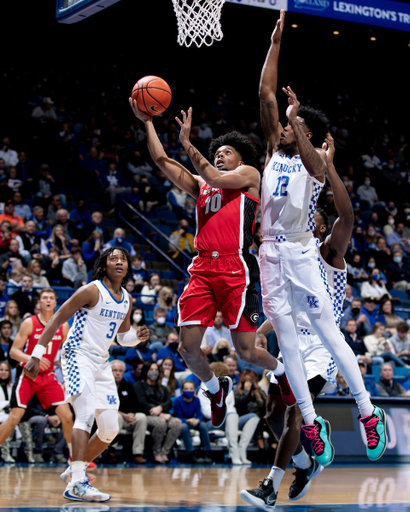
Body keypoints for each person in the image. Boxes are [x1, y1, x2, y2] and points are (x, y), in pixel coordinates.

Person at [255, 10, 386, 472]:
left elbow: (315, 167)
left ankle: (370, 412)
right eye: (287, 126)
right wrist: (275, 42)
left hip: (299, 251)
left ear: (305, 132)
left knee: (329, 334)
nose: (285, 128)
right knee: (287, 342)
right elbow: (266, 94)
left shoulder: (315, 162)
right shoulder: (274, 149)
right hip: (268, 254)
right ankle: (310, 424)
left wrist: (300, 122)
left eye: (294, 126)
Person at [130, 82, 282, 431]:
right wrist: (147, 121)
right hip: (202, 268)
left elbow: (213, 173)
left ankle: (283, 371)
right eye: (217, 152)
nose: (219, 156)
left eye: (226, 152)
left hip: (236, 266)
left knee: (245, 351)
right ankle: (215, 388)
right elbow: (160, 160)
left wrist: (187, 143)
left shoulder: (249, 176)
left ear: (240, 159)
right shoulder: (202, 185)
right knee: (187, 348)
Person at [23, 248, 149, 502]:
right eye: (113, 258)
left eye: (123, 259)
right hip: (76, 355)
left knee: (110, 428)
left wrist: (136, 337)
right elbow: (58, 317)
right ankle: (78, 482)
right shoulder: (91, 290)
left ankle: (76, 467)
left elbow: (122, 337)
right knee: (85, 414)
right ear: (103, 265)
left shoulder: (126, 298)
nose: (119, 262)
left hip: (102, 362)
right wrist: (36, 355)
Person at [0, 289, 74, 466]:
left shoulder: (63, 326)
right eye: (44, 298)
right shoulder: (29, 323)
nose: (48, 301)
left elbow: (68, 353)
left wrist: (68, 377)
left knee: (67, 416)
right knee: (15, 417)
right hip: (27, 375)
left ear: (56, 302)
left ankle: (75, 459)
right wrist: (34, 360)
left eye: (51, 298)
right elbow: (14, 352)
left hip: (47, 378)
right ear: (38, 303)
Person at [134, 361, 182, 463]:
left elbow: (168, 401)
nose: (154, 372)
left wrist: (160, 408)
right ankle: (156, 452)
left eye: (156, 370)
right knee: (161, 422)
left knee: (177, 423)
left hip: (161, 414)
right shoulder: (139, 385)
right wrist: (160, 414)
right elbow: (142, 403)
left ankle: (164, 452)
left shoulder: (162, 388)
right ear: (146, 371)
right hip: (145, 416)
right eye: (151, 369)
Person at [110, 360, 147, 464]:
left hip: (127, 418)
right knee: (116, 416)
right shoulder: (104, 387)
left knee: (142, 417)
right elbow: (106, 407)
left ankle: (138, 453)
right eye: (115, 370)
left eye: (120, 371)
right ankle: (110, 451)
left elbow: (135, 404)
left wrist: (131, 414)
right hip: (113, 417)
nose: (117, 373)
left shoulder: (128, 386)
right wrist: (124, 415)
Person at [173, 380, 212, 463]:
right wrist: (187, 420)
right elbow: (178, 417)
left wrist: (197, 420)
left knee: (203, 425)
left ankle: (207, 451)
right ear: (182, 391)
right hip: (183, 422)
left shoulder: (196, 400)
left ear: (195, 391)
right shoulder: (177, 401)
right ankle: (191, 453)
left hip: (193, 422)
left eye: (191, 389)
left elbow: (199, 414)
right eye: (186, 389)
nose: (188, 391)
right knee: (183, 427)